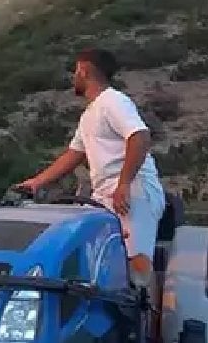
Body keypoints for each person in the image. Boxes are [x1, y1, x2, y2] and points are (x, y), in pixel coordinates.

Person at [16, 48, 165, 287]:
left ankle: (150, 320)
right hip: (105, 197)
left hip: (133, 192)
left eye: (76, 71)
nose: (73, 77)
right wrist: (37, 182)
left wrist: (124, 184)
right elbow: (73, 155)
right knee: (105, 263)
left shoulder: (113, 101)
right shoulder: (90, 114)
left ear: (84, 71)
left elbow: (139, 136)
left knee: (137, 264)